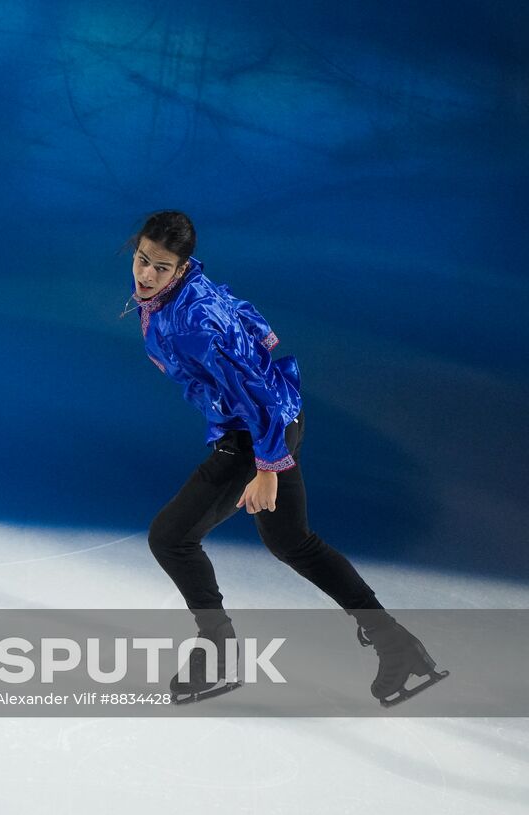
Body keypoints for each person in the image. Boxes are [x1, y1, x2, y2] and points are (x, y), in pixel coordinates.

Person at [121, 210, 448, 707]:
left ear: (183, 268)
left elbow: (256, 393)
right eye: (143, 260)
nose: (146, 275)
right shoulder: (180, 297)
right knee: (293, 541)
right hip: (272, 422)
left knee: (171, 537)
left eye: (161, 268)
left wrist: (268, 468)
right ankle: (398, 646)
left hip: (260, 431)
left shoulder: (196, 321)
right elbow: (252, 327)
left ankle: (219, 651)